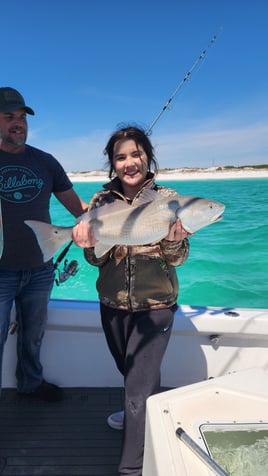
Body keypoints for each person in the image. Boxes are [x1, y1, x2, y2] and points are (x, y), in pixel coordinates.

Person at [72, 125, 191, 476]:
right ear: (113, 163)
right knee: (131, 376)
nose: (129, 162)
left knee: (137, 388)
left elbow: (178, 258)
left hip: (156, 307)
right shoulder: (100, 202)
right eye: (120, 157)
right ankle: (146, 417)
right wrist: (87, 242)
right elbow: (96, 260)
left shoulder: (168, 197)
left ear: (147, 157)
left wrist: (172, 240)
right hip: (113, 305)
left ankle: (132, 468)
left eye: (136, 154)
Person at [0, 87, 88, 401]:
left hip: (40, 269)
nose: (18, 123)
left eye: (22, 117)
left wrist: (129, 212)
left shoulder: (45, 162)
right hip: (1, 272)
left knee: (34, 335)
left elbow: (80, 210)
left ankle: (30, 384)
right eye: (9, 116)